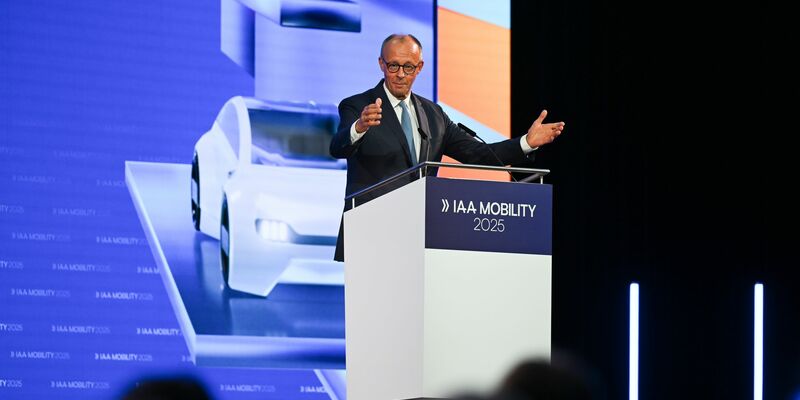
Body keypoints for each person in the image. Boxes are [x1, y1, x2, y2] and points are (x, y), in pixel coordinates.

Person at [330, 33, 565, 261]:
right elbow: (338, 147)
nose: (400, 74)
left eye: (408, 67)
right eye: (393, 66)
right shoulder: (357, 105)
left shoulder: (434, 114)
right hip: (372, 235)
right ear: (381, 64)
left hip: (421, 236)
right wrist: (359, 127)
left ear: (419, 67)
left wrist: (525, 143)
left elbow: (479, 155)